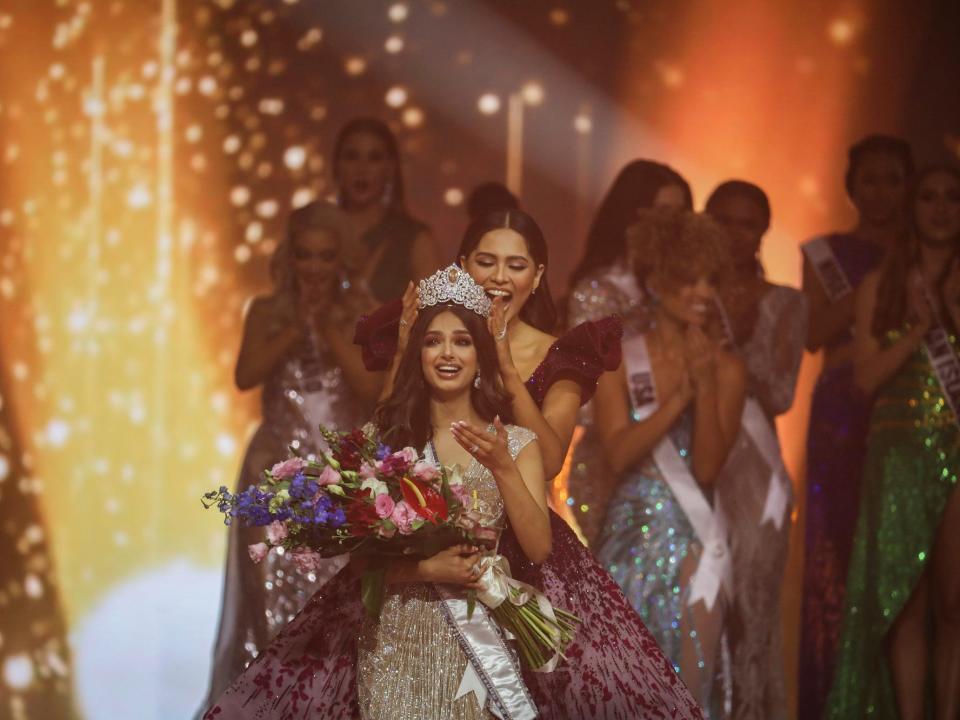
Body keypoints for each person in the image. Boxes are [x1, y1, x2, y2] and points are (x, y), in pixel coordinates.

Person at [203, 266, 703, 719]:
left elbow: (538, 547)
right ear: (418, 353)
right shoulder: (388, 442)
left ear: (480, 354)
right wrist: (428, 568)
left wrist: (502, 467)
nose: (447, 354)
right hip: (395, 646)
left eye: (462, 341)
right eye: (434, 342)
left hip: (480, 646)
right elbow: (357, 565)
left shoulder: (516, 442)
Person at [354, 209, 703, 716]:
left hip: (516, 545)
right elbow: (389, 429)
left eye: (515, 265)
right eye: (485, 262)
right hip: (420, 549)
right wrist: (411, 345)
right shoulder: (438, 341)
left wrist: (504, 369)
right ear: (461, 266)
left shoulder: (560, 354)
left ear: (537, 276)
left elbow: (551, 457)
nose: (499, 277)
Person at [197, 202, 381, 711]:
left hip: (339, 477)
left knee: (339, 604)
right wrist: (296, 328)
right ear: (290, 258)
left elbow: (370, 386)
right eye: (305, 256)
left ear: (341, 260)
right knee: (267, 602)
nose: (315, 267)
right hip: (273, 474)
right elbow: (245, 374)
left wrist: (328, 328)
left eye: (326, 257)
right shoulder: (264, 310)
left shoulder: (361, 312)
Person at [593, 209, 746, 714]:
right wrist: (679, 398)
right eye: (689, 278)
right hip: (629, 532)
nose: (704, 291)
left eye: (712, 279)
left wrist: (703, 389)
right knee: (622, 685)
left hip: (696, 540)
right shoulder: (621, 357)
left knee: (688, 687)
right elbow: (618, 453)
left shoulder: (728, 368)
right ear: (657, 280)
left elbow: (705, 471)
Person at [826, 164, 960, 720]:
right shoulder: (882, 284)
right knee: (905, 599)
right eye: (928, 196)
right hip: (898, 451)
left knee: (954, 604)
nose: (940, 207)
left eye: (953, 197)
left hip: (956, 449)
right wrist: (915, 330)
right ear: (914, 206)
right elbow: (863, 380)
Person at [799, 134, 915, 719]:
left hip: (911, 407)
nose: (880, 191)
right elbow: (815, 333)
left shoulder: (936, 252)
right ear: (852, 187)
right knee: (837, 555)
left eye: (893, 179)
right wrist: (885, 279)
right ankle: (835, 699)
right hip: (841, 415)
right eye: (870, 179)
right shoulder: (825, 252)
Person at [705, 180, 807, 719]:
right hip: (701, 458)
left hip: (756, 466)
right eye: (725, 220)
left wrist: (736, 353)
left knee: (753, 606)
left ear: (765, 230)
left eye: (749, 223)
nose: (737, 234)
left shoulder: (786, 302)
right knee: (702, 602)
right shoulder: (690, 296)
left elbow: (783, 394)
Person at [566, 159, 693, 544]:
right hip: (612, 463)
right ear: (630, 216)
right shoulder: (598, 292)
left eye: (680, 215)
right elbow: (583, 399)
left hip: (684, 455)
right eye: (660, 213)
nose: (670, 226)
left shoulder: (695, 294)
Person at [333, 117, 440, 302]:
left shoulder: (415, 240)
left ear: (390, 169)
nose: (362, 169)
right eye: (352, 157)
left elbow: (434, 319)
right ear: (337, 166)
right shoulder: (317, 233)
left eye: (374, 158)